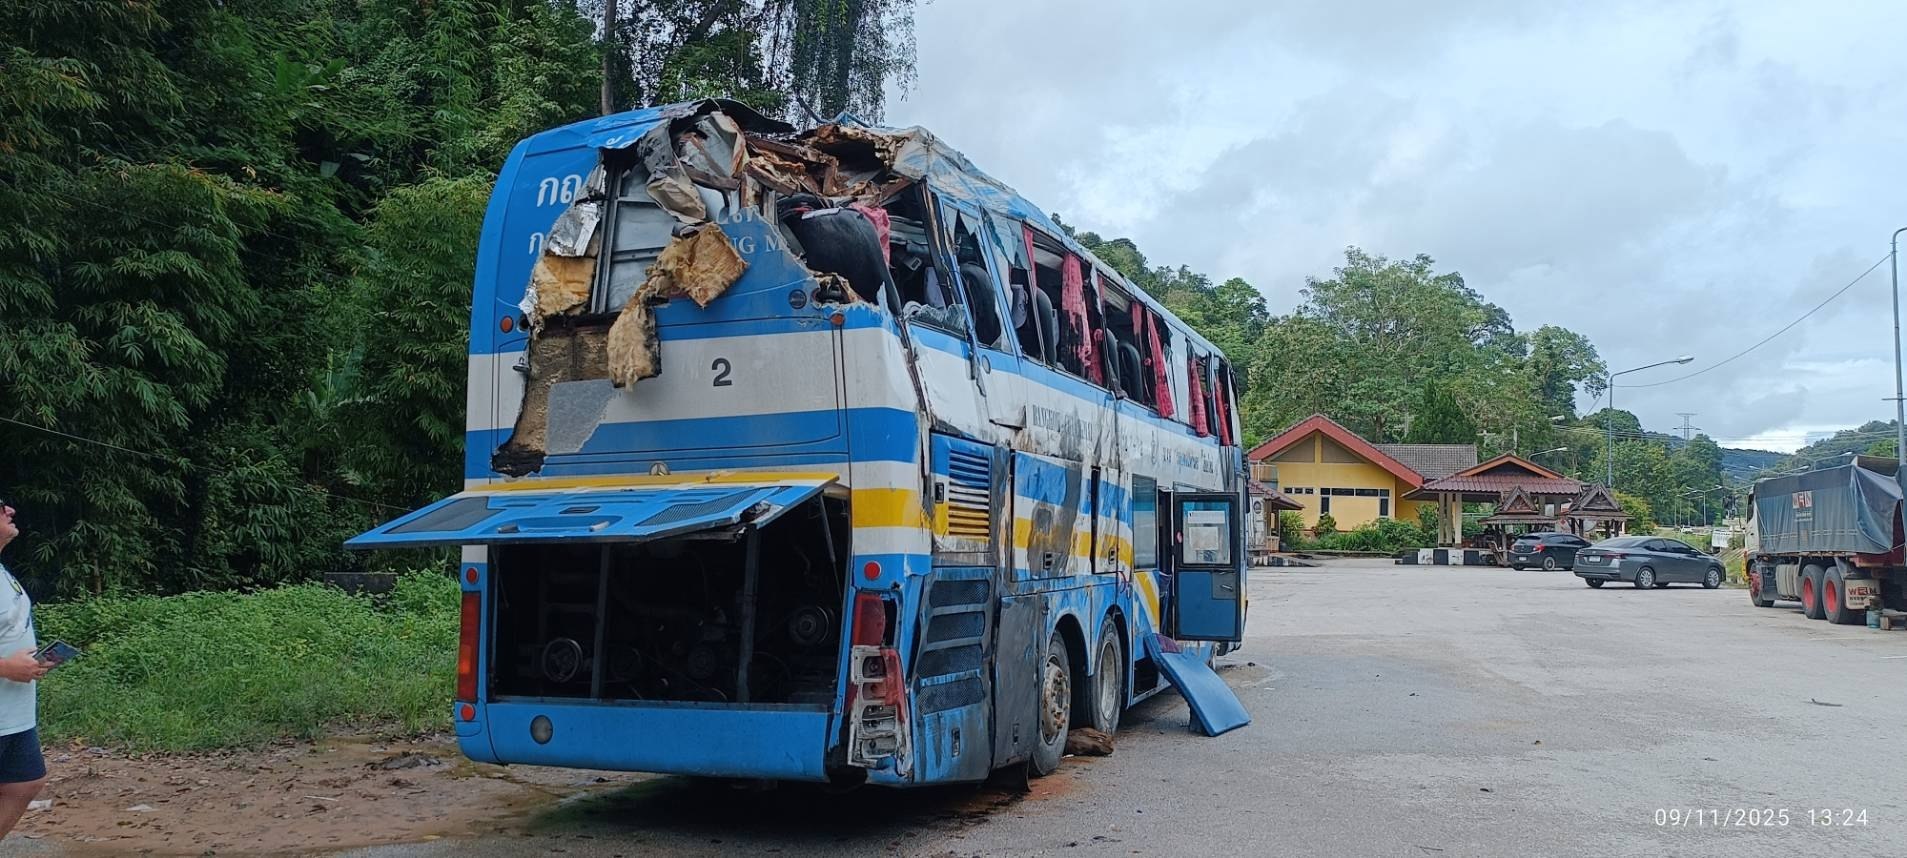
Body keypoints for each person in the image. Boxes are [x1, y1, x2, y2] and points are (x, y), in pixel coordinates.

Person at [0, 499, 48, 839]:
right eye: (0, 507)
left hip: (13, 712)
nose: (10, 510)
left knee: (24, 783)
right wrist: (5, 665)